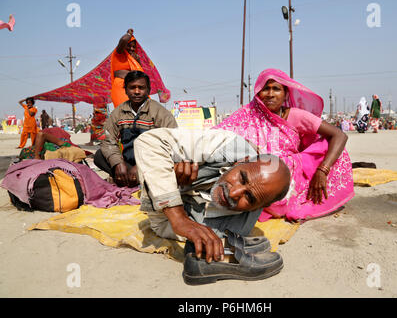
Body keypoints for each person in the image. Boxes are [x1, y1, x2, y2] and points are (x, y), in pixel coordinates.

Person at [134, 127, 291, 284]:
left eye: (249, 197)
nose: (234, 193)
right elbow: (147, 142)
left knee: (208, 242)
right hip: (157, 182)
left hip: (184, 211)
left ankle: (224, 251)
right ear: (241, 161)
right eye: (242, 178)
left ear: (256, 208)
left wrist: (182, 222)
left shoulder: (238, 225)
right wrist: (175, 211)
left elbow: (161, 226)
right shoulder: (225, 145)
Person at [215, 68, 354, 222]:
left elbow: (339, 135)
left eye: (276, 89)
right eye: (265, 89)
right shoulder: (247, 114)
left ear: (286, 94)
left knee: (336, 151)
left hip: (291, 173)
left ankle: (304, 201)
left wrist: (322, 171)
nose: (270, 94)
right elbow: (216, 135)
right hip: (258, 176)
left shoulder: (294, 115)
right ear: (257, 92)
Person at [94, 70, 177, 188]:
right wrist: (117, 163)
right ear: (126, 90)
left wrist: (141, 166)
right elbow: (108, 140)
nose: (137, 91)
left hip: (152, 164)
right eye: (132, 88)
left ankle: (132, 181)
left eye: (141, 88)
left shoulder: (160, 112)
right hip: (128, 164)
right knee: (99, 155)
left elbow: (172, 142)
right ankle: (130, 180)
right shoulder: (118, 112)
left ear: (148, 90)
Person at [111, 28, 144, 108]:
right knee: (125, 113)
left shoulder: (134, 59)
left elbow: (141, 74)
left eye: (133, 47)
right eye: (129, 46)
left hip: (135, 89)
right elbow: (123, 40)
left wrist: (137, 60)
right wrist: (129, 34)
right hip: (121, 88)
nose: (131, 49)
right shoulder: (118, 54)